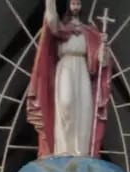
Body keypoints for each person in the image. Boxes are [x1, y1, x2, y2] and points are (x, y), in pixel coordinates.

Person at [26, 0, 114, 158]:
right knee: (66, 103)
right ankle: (63, 149)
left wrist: (103, 47)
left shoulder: (90, 32)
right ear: (68, 6)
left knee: (84, 107)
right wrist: (50, 3)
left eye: (78, 4)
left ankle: (81, 151)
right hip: (65, 67)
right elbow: (51, 21)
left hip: (82, 69)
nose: (76, 7)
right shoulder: (61, 29)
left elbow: (99, 62)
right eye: (73, 3)